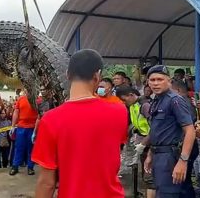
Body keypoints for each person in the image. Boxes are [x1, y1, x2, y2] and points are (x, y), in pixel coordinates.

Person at [32, 49, 128, 198]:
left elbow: (47, 183)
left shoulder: (51, 120)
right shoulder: (120, 111)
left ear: (68, 75)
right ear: (97, 76)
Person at [143, 65, 197, 198]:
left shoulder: (175, 100)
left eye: (160, 79)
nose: (155, 83)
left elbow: (190, 130)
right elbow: (157, 130)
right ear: (148, 82)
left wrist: (183, 161)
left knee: (169, 193)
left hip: (171, 156)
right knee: (163, 191)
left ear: (169, 80)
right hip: (159, 154)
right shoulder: (157, 100)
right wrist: (150, 153)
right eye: (152, 80)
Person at [116, 85, 155, 198]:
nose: (123, 102)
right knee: (145, 173)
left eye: (124, 99)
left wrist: (143, 144)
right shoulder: (133, 106)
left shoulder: (145, 105)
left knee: (150, 177)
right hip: (142, 142)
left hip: (151, 144)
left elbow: (155, 129)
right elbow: (136, 123)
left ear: (131, 95)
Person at [9, 89, 38, 176]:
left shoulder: (38, 100)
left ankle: (30, 167)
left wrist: (37, 130)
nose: (27, 91)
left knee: (31, 148)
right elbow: (16, 112)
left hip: (32, 128)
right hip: (21, 127)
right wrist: (13, 126)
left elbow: (40, 116)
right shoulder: (21, 99)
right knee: (19, 147)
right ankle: (15, 166)